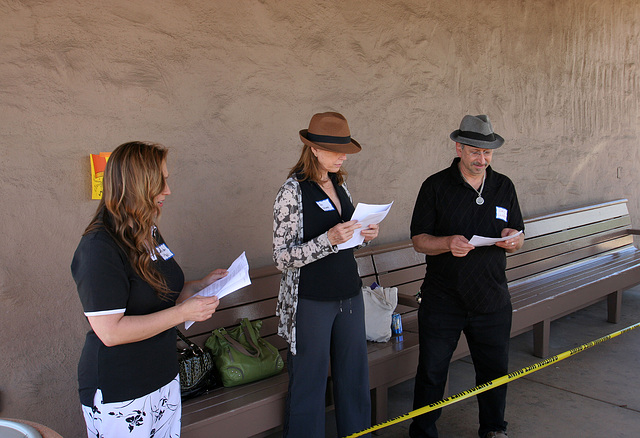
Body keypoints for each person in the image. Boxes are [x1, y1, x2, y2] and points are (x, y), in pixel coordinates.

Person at [71, 141, 228, 437]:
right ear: (135, 185)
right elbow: (110, 332)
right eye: (161, 181)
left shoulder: (147, 231)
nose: (168, 190)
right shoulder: (99, 247)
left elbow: (160, 295)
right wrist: (181, 312)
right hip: (123, 388)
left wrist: (200, 286)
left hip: (164, 376)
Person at [409, 115, 525, 438]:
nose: (482, 159)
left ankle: (493, 428)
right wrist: (447, 243)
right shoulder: (435, 186)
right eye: (475, 152)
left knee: (494, 371)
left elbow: (519, 235)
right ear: (459, 147)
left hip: (491, 298)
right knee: (432, 372)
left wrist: (514, 239)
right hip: (443, 299)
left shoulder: (504, 186)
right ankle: (423, 431)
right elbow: (419, 240)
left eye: (488, 154)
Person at [272, 112, 379, 438]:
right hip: (311, 300)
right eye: (336, 149)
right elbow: (282, 257)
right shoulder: (291, 192)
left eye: (346, 148)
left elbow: (345, 243)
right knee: (309, 382)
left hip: (349, 293)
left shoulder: (340, 185)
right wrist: (328, 240)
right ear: (314, 149)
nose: (343, 155)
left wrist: (363, 235)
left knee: (354, 378)